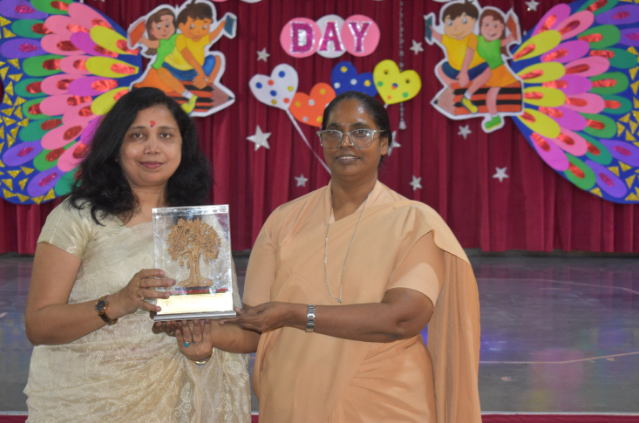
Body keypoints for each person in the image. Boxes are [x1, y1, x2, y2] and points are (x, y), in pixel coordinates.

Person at [208, 91, 482, 422]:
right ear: (322, 141)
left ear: (384, 143)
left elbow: (402, 318)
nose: (345, 142)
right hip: (293, 398)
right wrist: (203, 332)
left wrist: (296, 314)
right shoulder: (284, 221)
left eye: (361, 132)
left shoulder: (415, 222)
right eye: (334, 132)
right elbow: (256, 328)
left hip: (385, 403)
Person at [23, 87, 251, 422]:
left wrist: (203, 343)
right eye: (137, 135)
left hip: (173, 406)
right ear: (116, 148)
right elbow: (39, 325)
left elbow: (240, 332)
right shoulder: (77, 217)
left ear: (183, 147)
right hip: (85, 404)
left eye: (166, 135)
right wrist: (119, 302)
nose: (152, 147)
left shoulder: (201, 225)